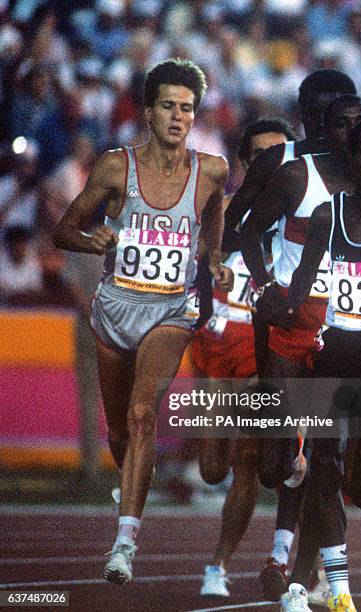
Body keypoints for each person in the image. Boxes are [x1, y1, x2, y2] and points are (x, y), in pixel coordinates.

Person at [53, 58, 233, 585]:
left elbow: (216, 207)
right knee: (119, 433)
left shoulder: (211, 169)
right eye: (169, 107)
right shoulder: (115, 167)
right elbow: (64, 230)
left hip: (171, 310)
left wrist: (214, 254)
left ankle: (124, 542)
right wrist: (94, 240)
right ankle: (130, 481)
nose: (179, 117)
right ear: (148, 112)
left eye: (187, 108)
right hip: (114, 308)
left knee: (139, 414)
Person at [240, 94, 361, 603]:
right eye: (341, 124)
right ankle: (289, 455)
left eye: (359, 126)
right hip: (296, 317)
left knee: (329, 462)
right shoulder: (299, 177)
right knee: (276, 467)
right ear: (325, 129)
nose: (351, 134)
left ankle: (301, 581)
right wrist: (267, 287)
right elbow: (248, 230)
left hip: (347, 332)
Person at [278, 116, 361, 611]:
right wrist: (273, 297)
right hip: (337, 353)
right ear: (350, 160)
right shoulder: (328, 216)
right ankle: (339, 592)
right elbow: (302, 285)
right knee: (324, 463)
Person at [192, 118, 295, 598]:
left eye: (281, 155)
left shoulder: (301, 216)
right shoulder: (222, 212)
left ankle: (219, 563)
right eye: (261, 157)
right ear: (244, 163)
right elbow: (195, 275)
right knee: (213, 466)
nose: (272, 166)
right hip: (218, 350)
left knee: (247, 459)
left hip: (268, 351)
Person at [223, 69, 357, 252]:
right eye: (313, 114)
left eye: (330, 115)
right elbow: (225, 232)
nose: (321, 124)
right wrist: (269, 252)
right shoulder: (274, 161)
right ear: (301, 114)